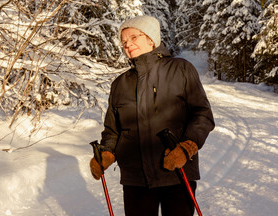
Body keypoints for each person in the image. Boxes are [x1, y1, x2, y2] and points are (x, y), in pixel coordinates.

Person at [90, 15, 215, 216]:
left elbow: (202, 114)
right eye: (123, 42)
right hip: (135, 179)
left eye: (133, 38)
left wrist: (187, 147)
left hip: (176, 172)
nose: (127, 45)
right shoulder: (120, 84)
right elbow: (113, 130)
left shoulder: (180, 69)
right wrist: (106, 153)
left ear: (151, 39)